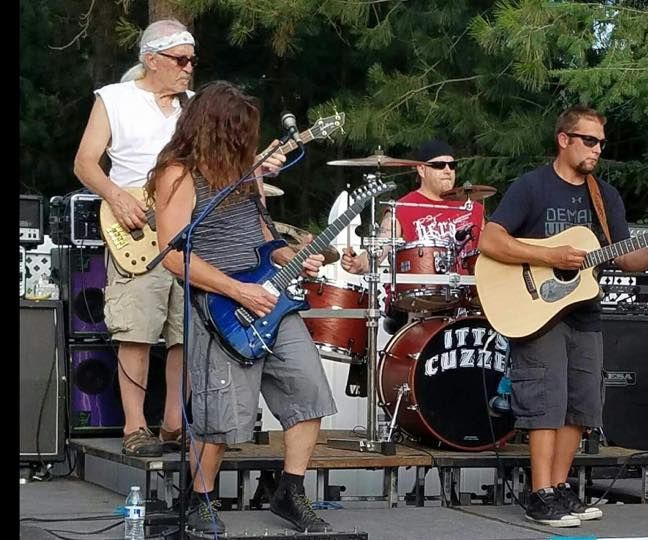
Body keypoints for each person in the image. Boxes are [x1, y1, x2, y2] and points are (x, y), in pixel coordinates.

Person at [477, 104, 648, 527]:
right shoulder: (532, 187)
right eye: (589, 141)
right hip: (536, 311)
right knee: (545, 402)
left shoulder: (604, 196)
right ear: (564, 140)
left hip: (583, 311)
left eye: (601, 143)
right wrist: (549, 254)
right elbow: (490, 240)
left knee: (582, 404)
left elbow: (626, 258)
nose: (597, 150)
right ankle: (538, 493)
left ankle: (557, 490)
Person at [149, 81, 338, 534]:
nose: (248, 140)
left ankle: (290, 492)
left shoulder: (244, 175)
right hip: (221, 307)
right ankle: (199, 499)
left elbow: (262, 239)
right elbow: (174, 255)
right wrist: (237, 290)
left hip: (268, 297)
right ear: (217, 129)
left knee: (308, 391)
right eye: (240, 131)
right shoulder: (178, 174)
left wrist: (289, 257)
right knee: (221, 414)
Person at [74, 19, 197, 457]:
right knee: (137, 331)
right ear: (151, 59)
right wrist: (116, 198)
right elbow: (85, 162)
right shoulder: (115, 99)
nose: (188, 68)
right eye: (180, 60)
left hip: (184, 228)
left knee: (184, 331)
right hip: (136, 227)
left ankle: (173, 424)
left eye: (191, 60)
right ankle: (133, 427)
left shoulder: (193, 107)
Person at [340, 139, 485, 328]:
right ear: (421, 170)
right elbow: (380, 248)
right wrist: (358, 263)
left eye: (452, 165)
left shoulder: (471, 208)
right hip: (419, 308)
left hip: (469, 304)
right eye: (439, 165)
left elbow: (491, 251)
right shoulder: (402, 208)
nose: (448, 170)